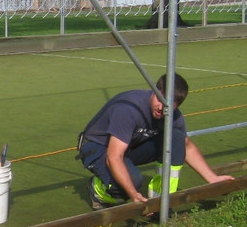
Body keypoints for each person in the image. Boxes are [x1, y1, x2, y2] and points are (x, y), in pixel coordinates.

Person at [77, 74, 234, 210]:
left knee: (176, 137)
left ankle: (160, 202)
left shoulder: (173, 115)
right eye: (160, 99)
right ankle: (98, 189)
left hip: (128, 147)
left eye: (169, 105)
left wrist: (212, 179)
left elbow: (187, 146)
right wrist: (133, 194)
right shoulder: (129, 109)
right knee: (131, 183)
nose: (161, 108)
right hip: (97, 147)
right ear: (155, 91)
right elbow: (113, 156)